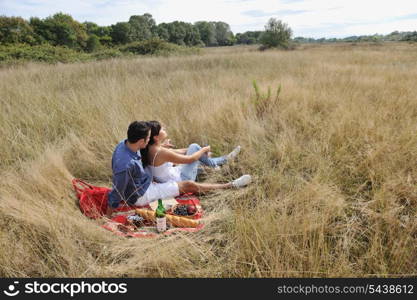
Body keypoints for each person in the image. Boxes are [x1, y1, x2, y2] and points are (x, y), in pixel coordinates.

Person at [106, 121, 251, 218]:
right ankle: (230, 185)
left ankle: (219, 164)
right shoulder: (124, 166)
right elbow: (117, 191)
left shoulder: (127, 144)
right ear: (141, 141)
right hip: (141, 195)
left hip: (146, 182)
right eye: (148, 138)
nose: (150, 140)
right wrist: (108, 217)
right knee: (188, 185)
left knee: (193, 167)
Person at [141, 120, 242, 183]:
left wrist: (198, 151)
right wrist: (203, 150)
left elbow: (175, 152)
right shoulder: (160, 152)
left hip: (171, 176)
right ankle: (222, 161)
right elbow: (190, 159)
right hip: (181, 180)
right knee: (194, 147)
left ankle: (216, 166)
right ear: (155, 137)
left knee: (195, 153)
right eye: (161, 129)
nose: (164, 128)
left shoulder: (149, 148)